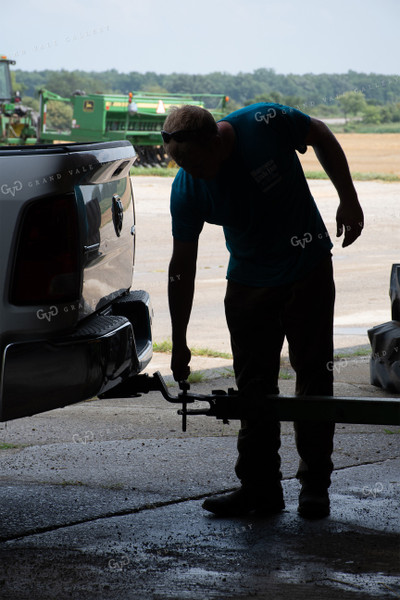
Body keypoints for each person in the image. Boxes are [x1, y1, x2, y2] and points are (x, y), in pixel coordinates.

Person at [162, 102, 364, 519]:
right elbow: (182, 266)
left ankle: (315, 488)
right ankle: (259, 489)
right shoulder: (187, 187)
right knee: (253, 387)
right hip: (249, 282)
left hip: (305, 267)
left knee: (312, 374)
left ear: (217, 141)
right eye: (183, 167)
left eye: (198, 164)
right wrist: (179, 341)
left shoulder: (264, 123)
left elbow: (321, 133)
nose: (193, 174)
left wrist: (349, 199)